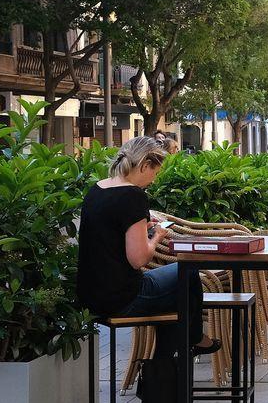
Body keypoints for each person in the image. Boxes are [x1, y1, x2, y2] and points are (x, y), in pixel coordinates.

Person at [77, 137, 218, 364]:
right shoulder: (133, 196)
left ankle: (164, 373)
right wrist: (157, 236)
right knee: (188, 273)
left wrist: (143, 227)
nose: (154, 179)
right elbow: (138, 259)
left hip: (90, 297)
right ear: (144, 166)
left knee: (176, 300)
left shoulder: (98, 189)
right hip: (123, 298)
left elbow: (110, 234)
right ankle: (190, 342)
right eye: (155, 172)